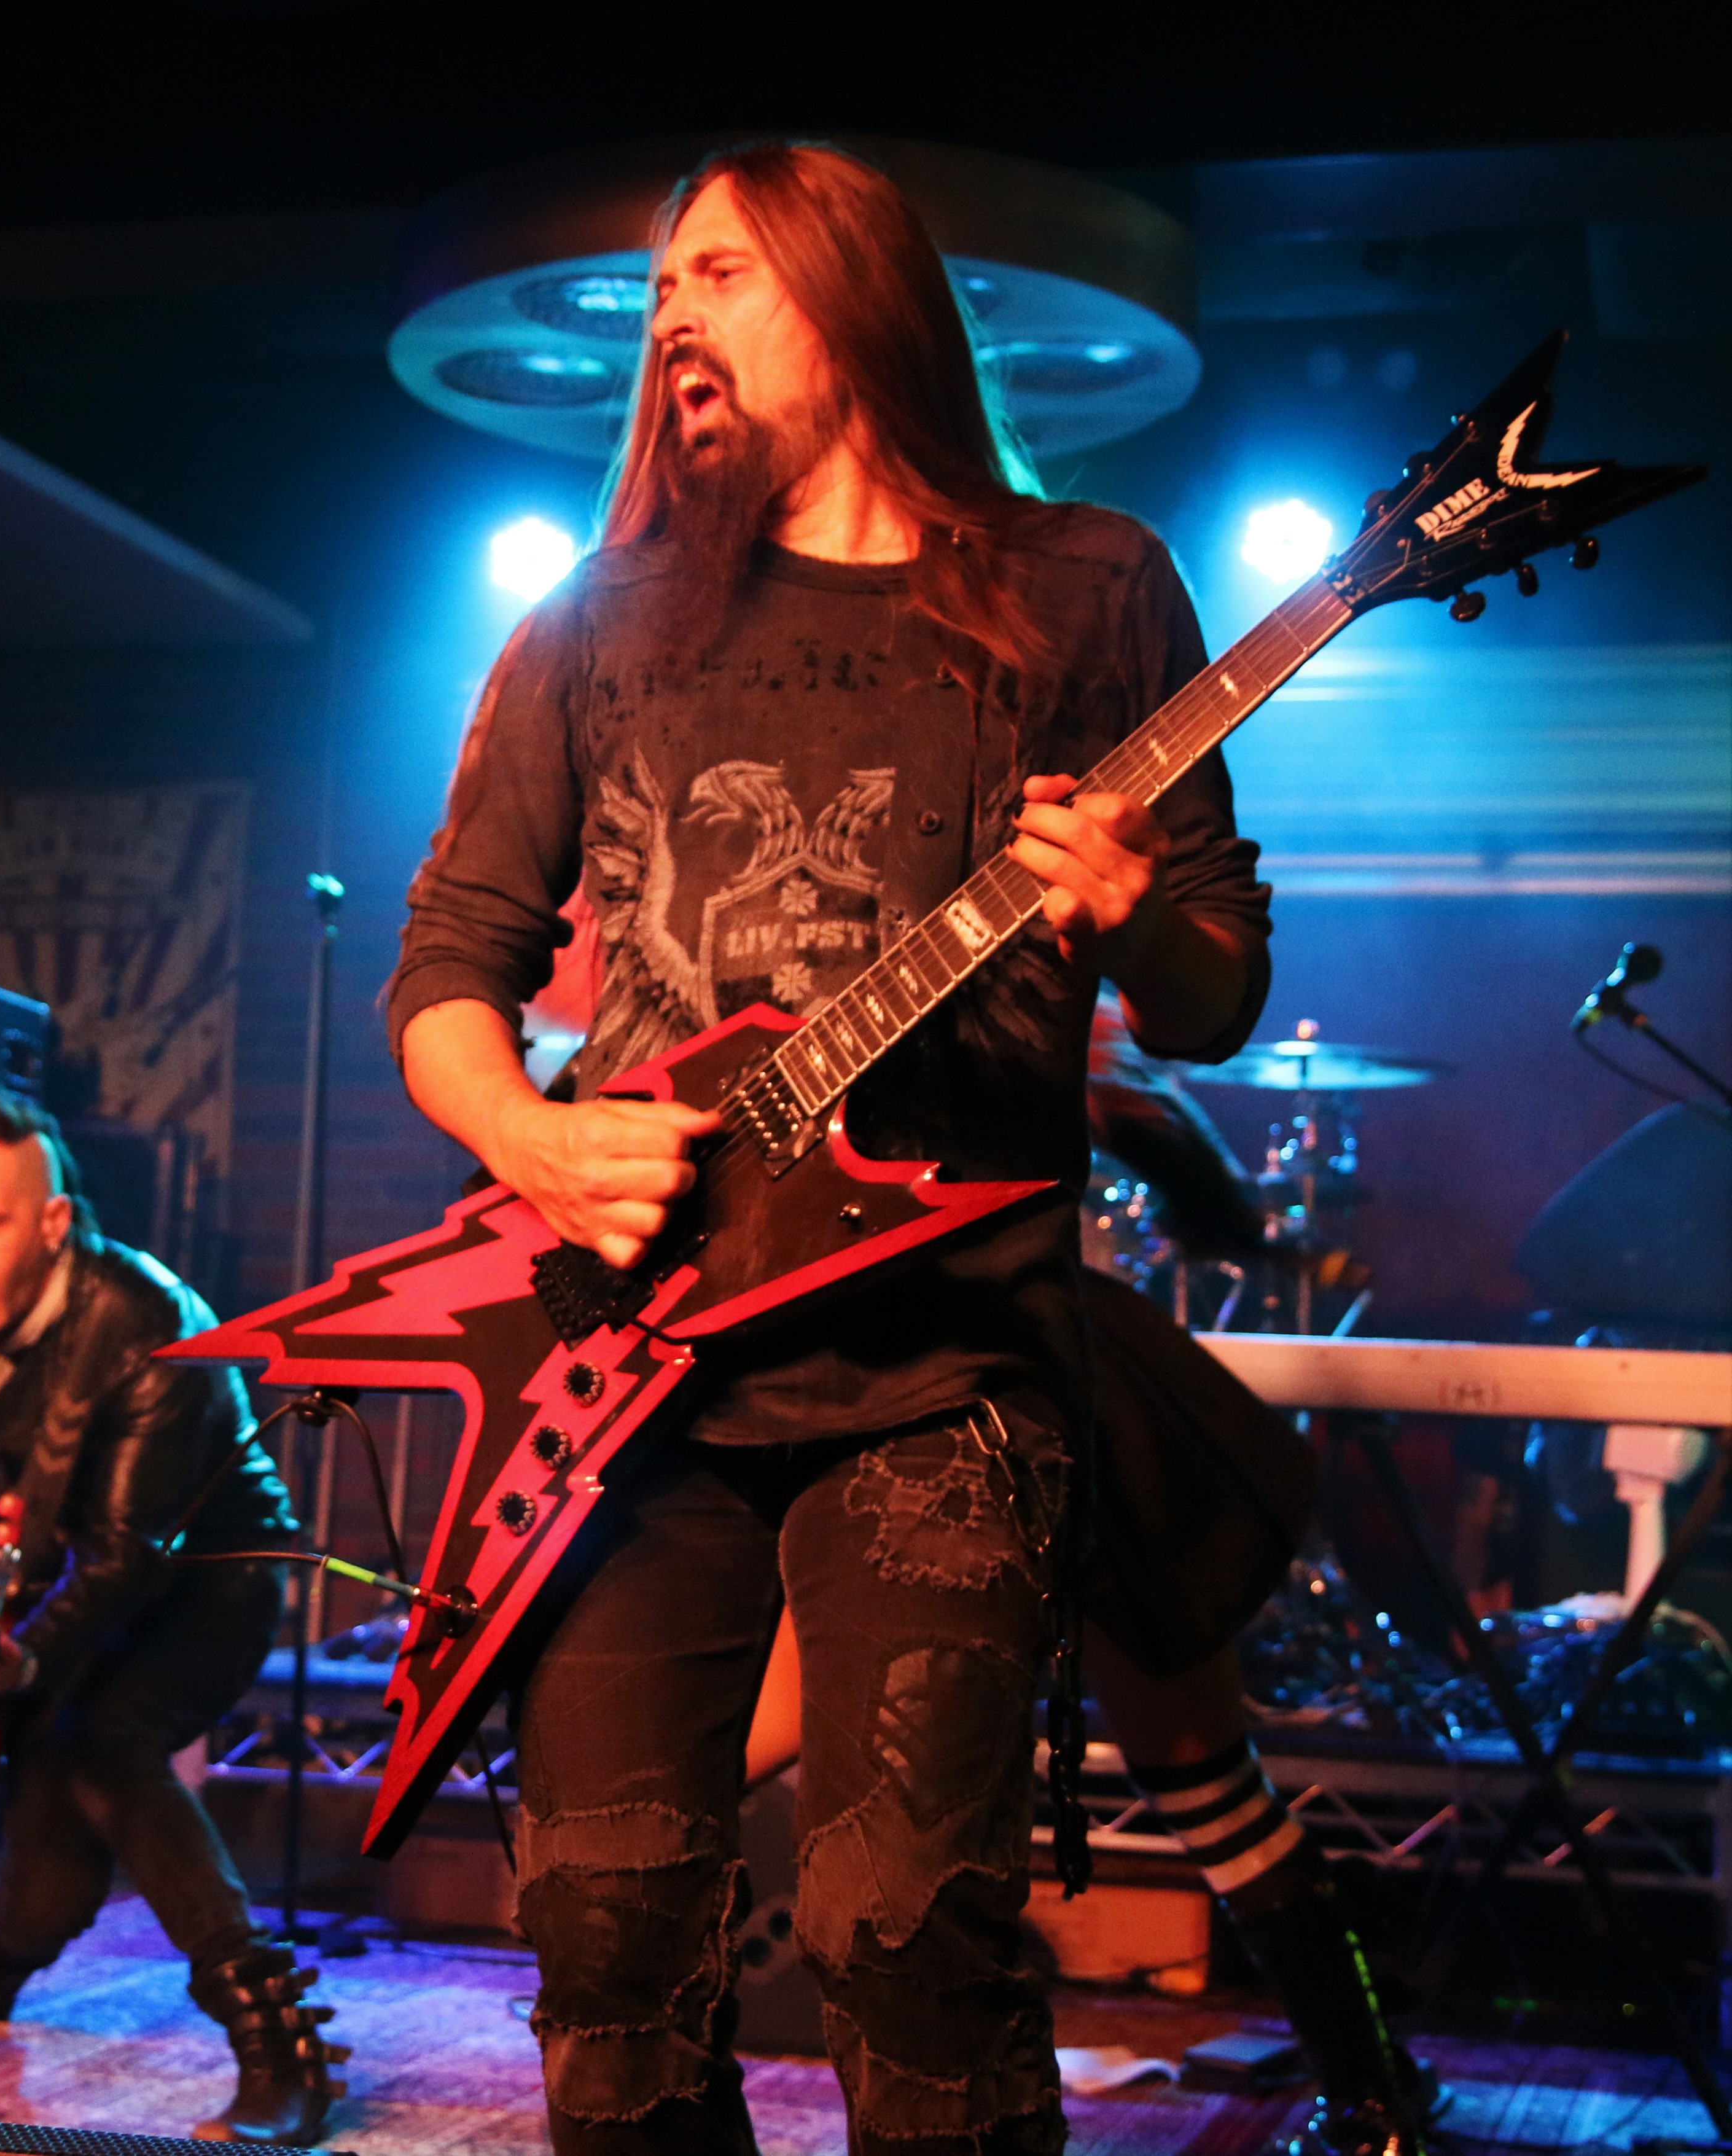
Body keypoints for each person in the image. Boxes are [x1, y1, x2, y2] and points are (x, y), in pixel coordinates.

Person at [388, 139, 1273, 2156]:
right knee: (604, 1934)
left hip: (945, 1364)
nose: (671, 319)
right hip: (638, 1365)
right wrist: (530, 1133)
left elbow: (1216, 985)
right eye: (658, 288)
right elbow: (447, 963)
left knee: (903, 1927)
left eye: (715, 272)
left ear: (848, 285)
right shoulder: (595, 620)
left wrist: (1135, 907)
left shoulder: (1089, 584)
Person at [746, 998, 1443, 2156]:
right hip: (1032, 1387)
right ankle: (1374, 2096)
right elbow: (1187, 1179)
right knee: (1206, 1784)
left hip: (1003, 1390)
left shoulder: (906, 1002)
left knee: (1191, 1778)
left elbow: (1169, 1158)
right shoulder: (981, 1005)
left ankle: (1372, 2096)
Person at [0, 1085, 345, 2148]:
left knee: (103, 1742)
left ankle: (279, 2039)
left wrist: (18, 1656)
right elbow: (16, 1484)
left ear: (52, 1222)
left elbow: (128, 1552)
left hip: (215, 1580)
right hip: (112, 1568)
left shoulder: (141, 1323)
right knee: (52, 1755)